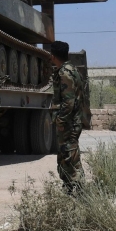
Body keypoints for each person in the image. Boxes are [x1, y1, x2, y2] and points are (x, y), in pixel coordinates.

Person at [49, 41, 87, 193]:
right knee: (70, 155)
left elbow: (69, 101)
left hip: (69, 122)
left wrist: (60, 120)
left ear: (53, 56)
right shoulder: (73, 70)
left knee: (69, 155)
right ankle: (73, 187)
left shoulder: (65, 73)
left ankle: (75, 188)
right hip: (73, 120)